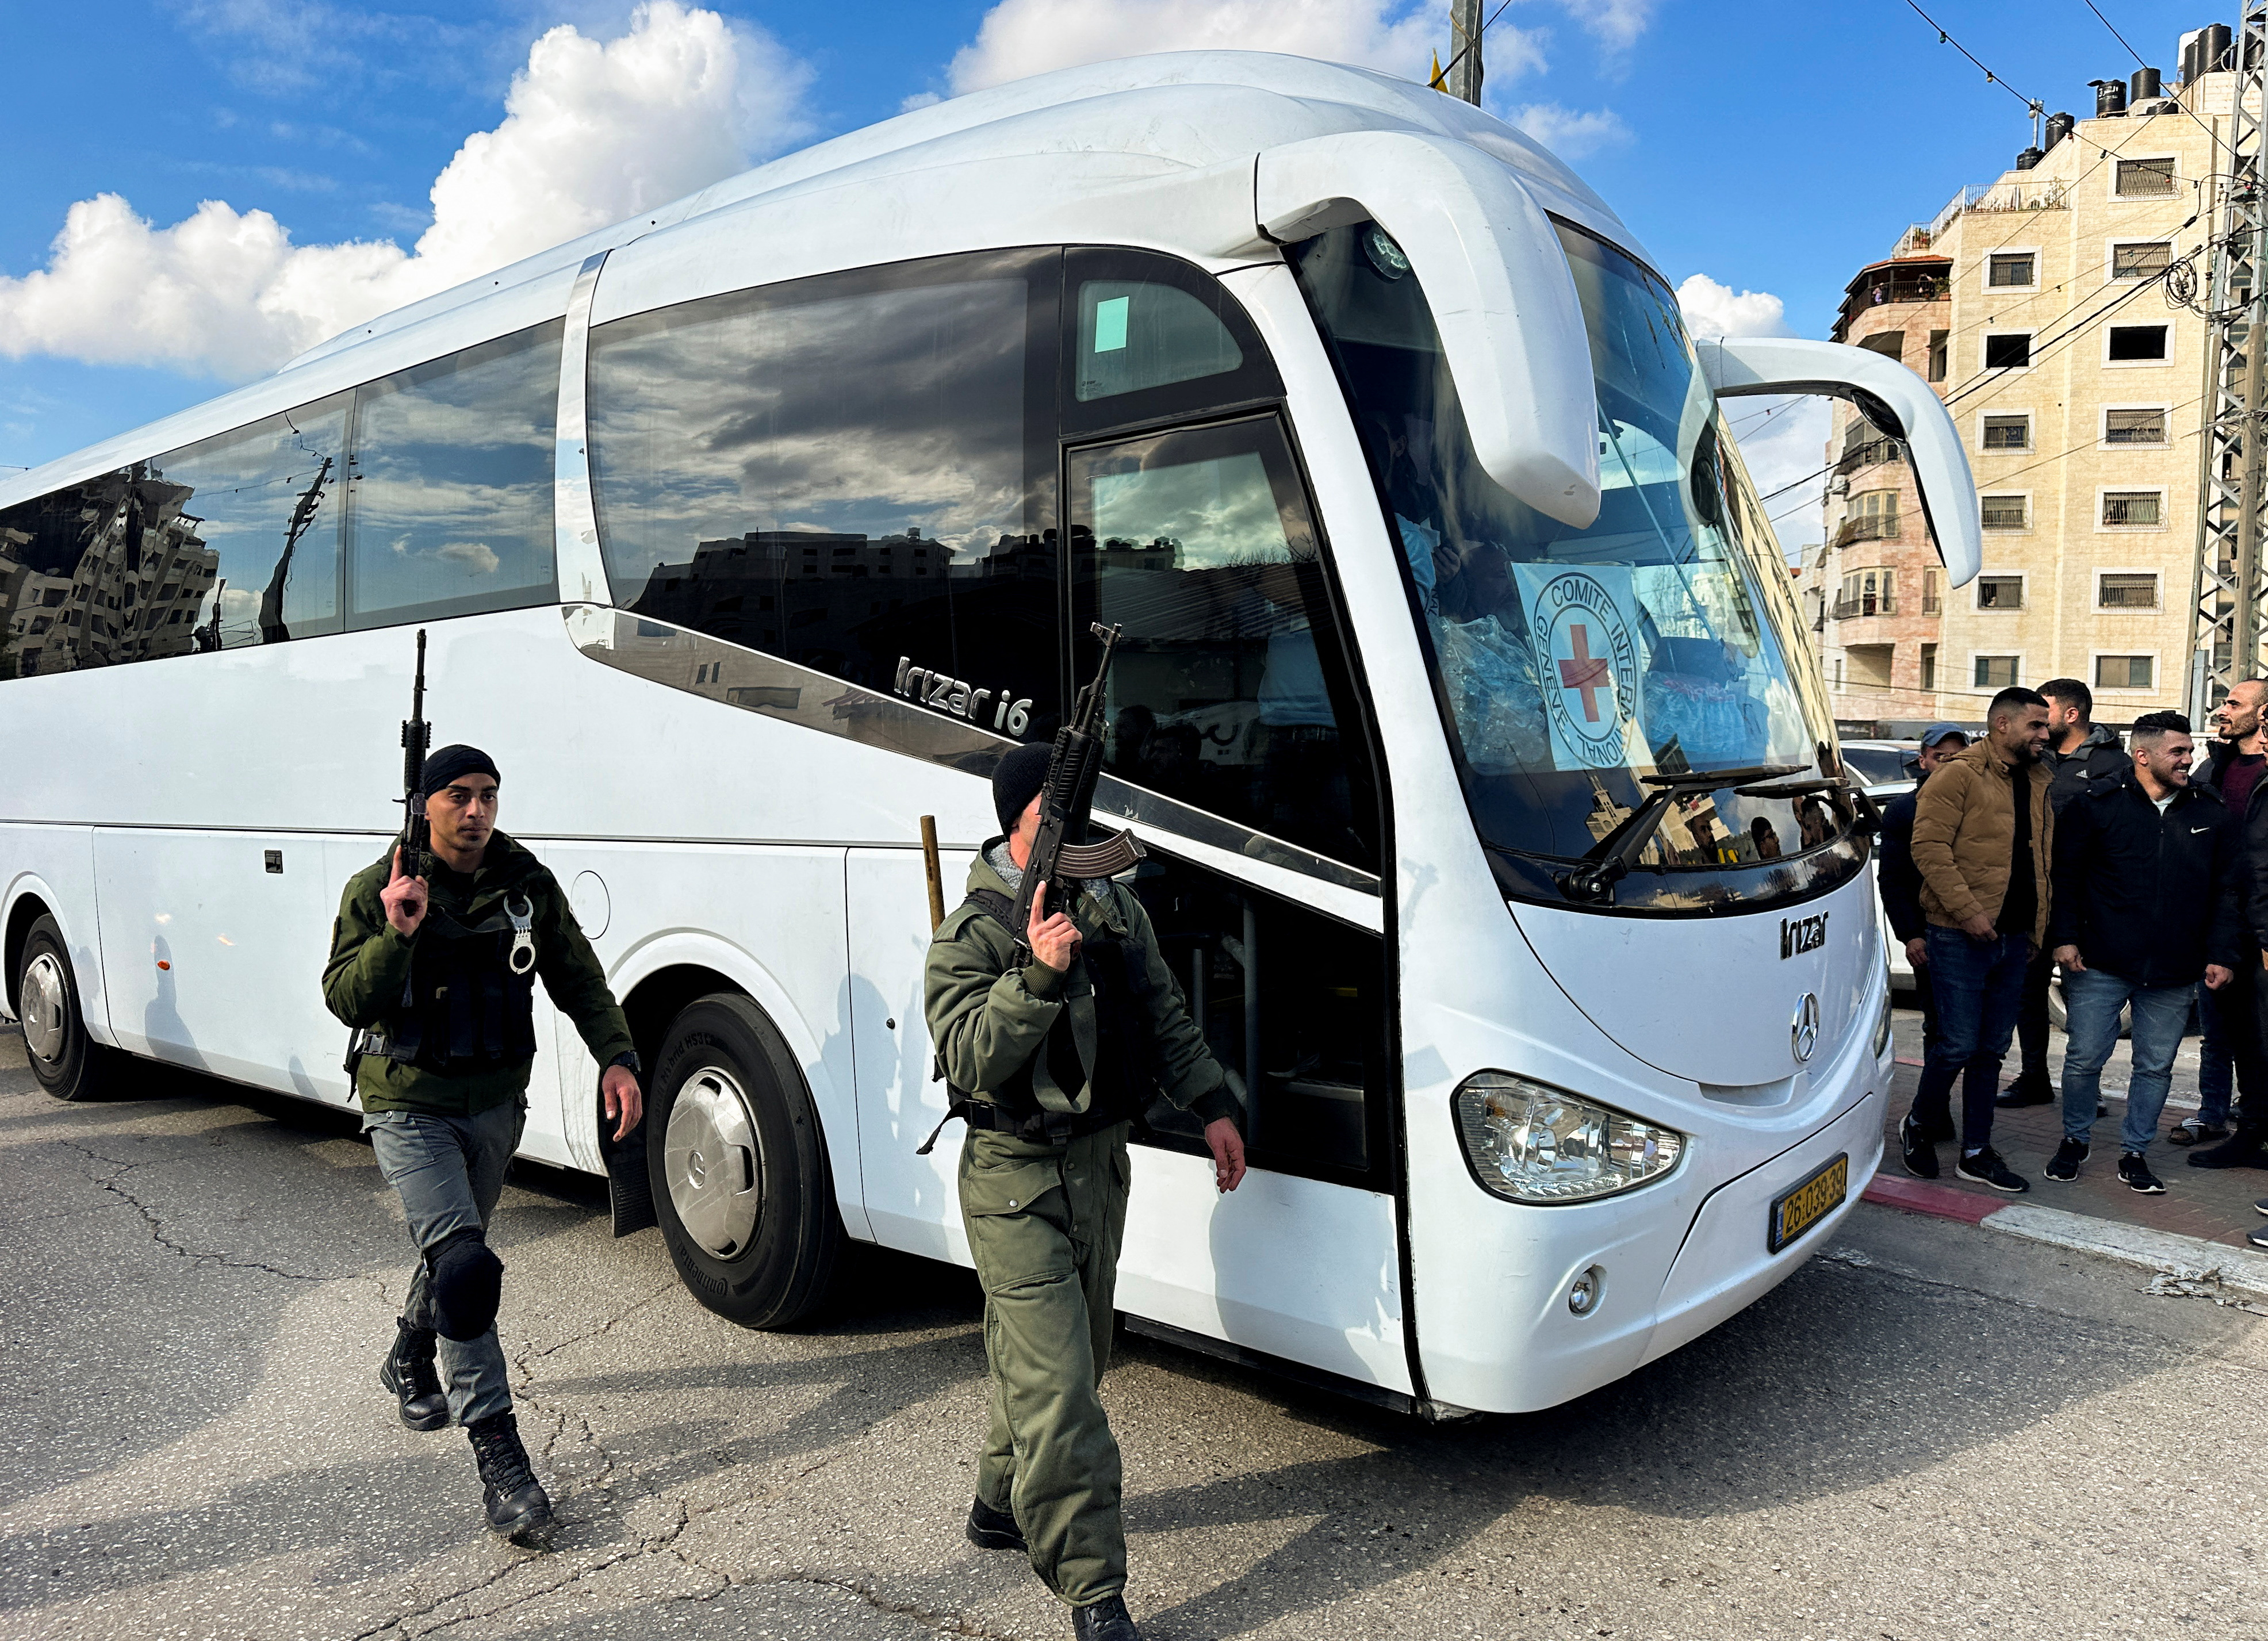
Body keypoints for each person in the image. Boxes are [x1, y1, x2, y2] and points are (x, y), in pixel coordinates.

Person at [924, 745, 1248, 1641]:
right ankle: (1095, 1593)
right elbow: (968, 1059)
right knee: (1063, 1391)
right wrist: (1036, 977)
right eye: (1057, 819)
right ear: (1018, 825)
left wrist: (1213, 1103)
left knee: (1066, 1360)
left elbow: (1163, 1012)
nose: (1078, 836)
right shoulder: (974, 933)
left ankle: (998, 1501)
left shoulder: (1111, 906)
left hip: (1100, 1171)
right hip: (1015, 1182)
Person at [321, 745, 644, 1546]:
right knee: (465, 1265)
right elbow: (342, 995)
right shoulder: (379, 887)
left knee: (454, 1256)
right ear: (424, 803)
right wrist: (398, 931)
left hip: (496, 1102)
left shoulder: (525, 883)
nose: (476, 812)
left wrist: (619, 1054)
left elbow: (577, 973)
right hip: (408, 1099)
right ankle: (502, 1457)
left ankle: (408, 1352)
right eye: (459, 796)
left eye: (489, 796)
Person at [2042, 712, 2240, 1193]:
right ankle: (2075, 1139)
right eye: (2178, 752)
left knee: (2154, 1065)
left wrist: (2221, 954)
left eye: (2190, 751)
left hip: (2176, 967)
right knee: (2085, 1056)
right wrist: (2064, 939)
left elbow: (2226, 891)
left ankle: (2135, 1151)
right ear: (2143, 755)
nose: (2188, 760)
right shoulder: (2097, 805)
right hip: (2100, 961)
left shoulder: (2208, 811)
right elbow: (2064, 878)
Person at [1901, 686, 2053, 1192]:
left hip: (2013, 939)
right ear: (2003, 725)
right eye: (2035, 724)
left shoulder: (2039, 781)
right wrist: (1967, 913)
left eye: (2046, 724)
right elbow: (1928, 849)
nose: (2045, 733)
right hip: (1959, 935)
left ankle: (1976, 1151)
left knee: (1991, 1051)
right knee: (1958, 1044)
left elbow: (2041, 863)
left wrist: (2035, 929)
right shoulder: (1958, 775)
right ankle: (1920, 1125)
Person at [1999, 678, 2128, 1108]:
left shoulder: (2115, 764)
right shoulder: (2032, 760)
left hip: (2086, 904)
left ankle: (2083, 1087)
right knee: (2027, 993)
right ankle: (2034, 1077)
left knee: (2084, 1001)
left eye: (2046, 711)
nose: (2037, 721)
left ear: (2071, 715)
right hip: (2035, 900)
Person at [2188, 680, 2268, 1168]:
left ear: (2263, 714)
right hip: (2226, 924)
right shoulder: (2216, 767)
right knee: (2237, 1036)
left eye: (2235, 704)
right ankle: (2250, 1133)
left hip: (2263, 926)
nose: (2223, 710)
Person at [1877, 723, 1970, 1066]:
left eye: (1958, 757)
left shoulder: (1986, 803)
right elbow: (1893, 878)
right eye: (1940, 756)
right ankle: (1932, 1113)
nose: (1949, 763)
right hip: (1932, 936)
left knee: (1982, 1036)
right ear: (1924, 761)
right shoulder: (1905, 810)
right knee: (1941, 1030)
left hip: (1983, 933)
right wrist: (1911, 936)